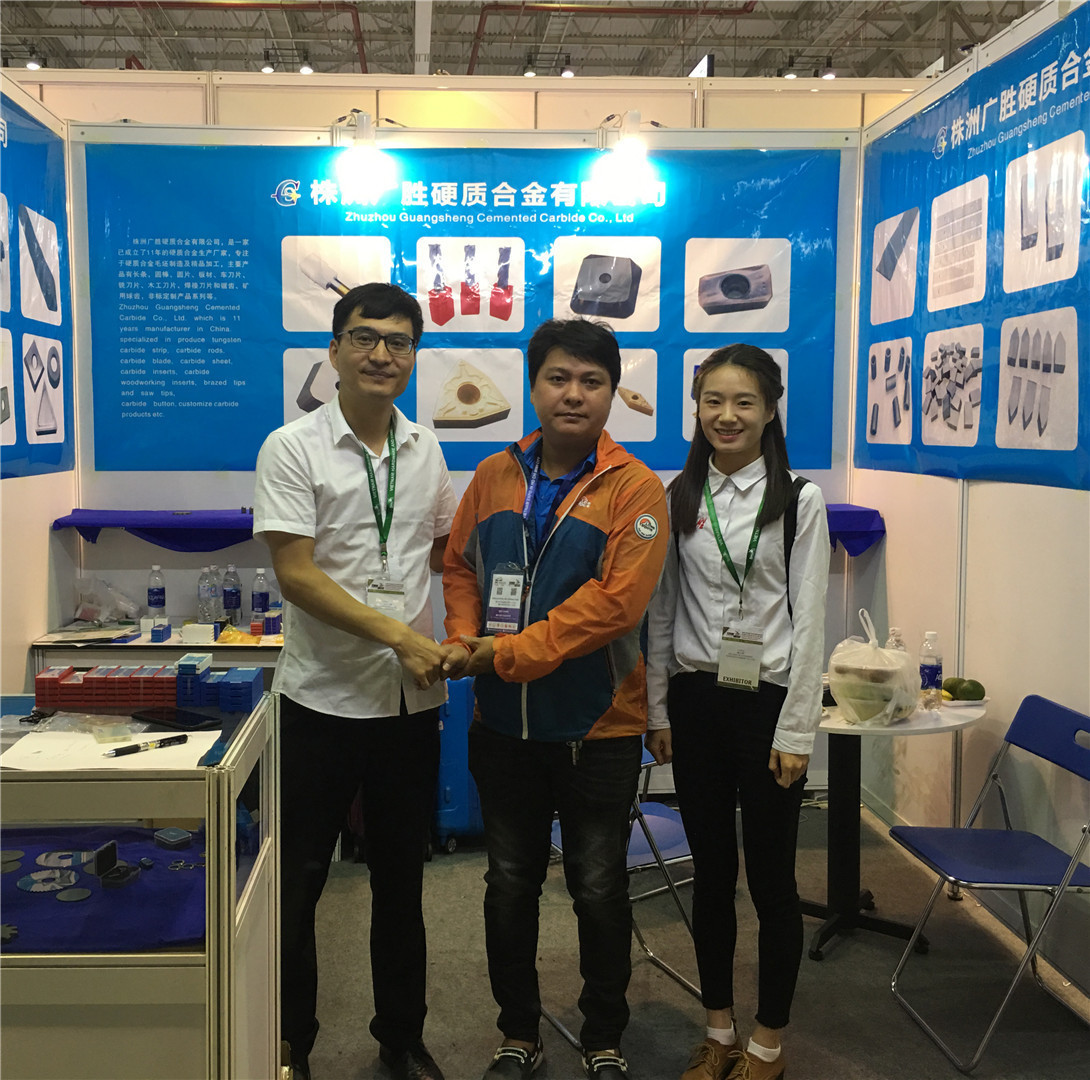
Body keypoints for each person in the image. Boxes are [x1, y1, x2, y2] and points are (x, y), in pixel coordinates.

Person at [441, 318, 669, 1080]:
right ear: (533, 386)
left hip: (597, 730)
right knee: (508, 885)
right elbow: (461, 566)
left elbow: (616, 605)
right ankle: (519, 1031)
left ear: (613, 393)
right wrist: (465, 635)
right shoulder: (493, 474)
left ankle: (604, 1036)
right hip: (502, 728)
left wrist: (505, 654)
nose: (574, 394)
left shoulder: (635, 488)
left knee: (598, 888)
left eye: (591, 381)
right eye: (558, 378)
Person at [254, 282, 464, 1080]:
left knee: (402, 883)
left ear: (413, 356)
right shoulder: (292, 447)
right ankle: (291, 1045)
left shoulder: (426, 448)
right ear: (335, 350)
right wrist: (401, 635)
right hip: (321, 699)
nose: (382, 354)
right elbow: (297, 575)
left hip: (408, 705)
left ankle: (401, 1039)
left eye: (399, 342)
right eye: (365, 337)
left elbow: (440, 551)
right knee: (299, 883)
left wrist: (459, 629)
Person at [645, 344, 829, 1080]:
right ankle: (718, 1031)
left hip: (768, 708)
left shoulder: (798, 500)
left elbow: (810, 622)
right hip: (696, 703)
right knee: (711, 875)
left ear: (770, 410)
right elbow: (663, 612)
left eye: (744, 402)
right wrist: (658, 709)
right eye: (713, 401)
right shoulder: (678, 496)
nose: (727, 415)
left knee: (773, 883)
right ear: (696, 409)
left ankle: (767, 1044)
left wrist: (798, 730)